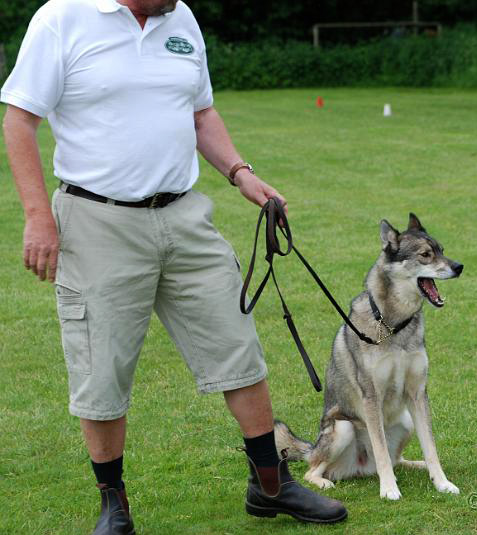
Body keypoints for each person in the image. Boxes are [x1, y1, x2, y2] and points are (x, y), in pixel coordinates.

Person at [1, 0, 347, 532]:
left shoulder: (180, 19)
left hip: (184, 215)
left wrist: (239, 172)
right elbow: (19, 120)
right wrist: (37, 216)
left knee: (238, 344)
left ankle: (270, 484)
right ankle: (112, 503)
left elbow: (200, 112)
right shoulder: (61, 17)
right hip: (98, 220)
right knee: (102, 367)